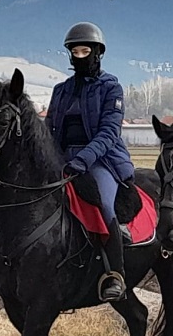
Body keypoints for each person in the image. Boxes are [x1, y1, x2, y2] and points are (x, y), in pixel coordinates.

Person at [44, 22, 135, 302]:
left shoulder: (112, 88)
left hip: (101, 161)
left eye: (85, 51)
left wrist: (82, 160)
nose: (80, 56)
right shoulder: (60, 90)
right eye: (75, 51)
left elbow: (109, 132)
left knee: (103, 204)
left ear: (97, 53)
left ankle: (114, 274)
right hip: (62, 158)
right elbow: (48, 129)